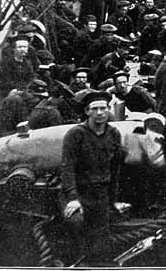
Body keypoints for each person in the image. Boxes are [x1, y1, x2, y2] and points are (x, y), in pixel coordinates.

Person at [61, 90, 124, 260]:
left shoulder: (114, 134)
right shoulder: (76, 134)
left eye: (103, 108)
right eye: (94, 109)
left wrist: (114, 199)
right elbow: (67, 167)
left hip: (101, 193)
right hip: (79, 193)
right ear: (87, 111)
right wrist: (73, 198)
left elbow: (115, 169)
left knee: (101, 237)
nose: (99, 113)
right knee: (76, 223)